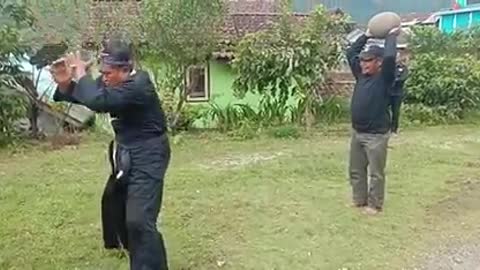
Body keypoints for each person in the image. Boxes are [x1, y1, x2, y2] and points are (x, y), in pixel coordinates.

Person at [50, 38, 170, 270]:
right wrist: (66, 84)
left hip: (149, 154)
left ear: (125, 69)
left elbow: (97, 100)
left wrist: (82, 73)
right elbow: (88, 94)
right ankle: (134, 252)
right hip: (126, 152)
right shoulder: (114, 80)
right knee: (118, 206)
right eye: (102, 71)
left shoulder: (139, 85)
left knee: (140, 219)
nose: (103, 77)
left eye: (108, 72)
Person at [346, 27, 400, 215]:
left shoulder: (385, 78)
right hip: (357, 132)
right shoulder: (360, 75)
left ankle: (375, 205)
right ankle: (359, 199)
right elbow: (350, 52)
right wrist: (367, 35)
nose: (363, 64)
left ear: (379, 63)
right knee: (355, 170)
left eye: (368, 60)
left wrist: (391, 36)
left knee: (376, 173)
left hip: (376, 135)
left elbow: (391, 58)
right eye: (362, 60)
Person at [390, 56, 409, 134]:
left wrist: (394, 80)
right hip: (388, 92)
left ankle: (394, 129)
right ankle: (384, 127)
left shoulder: (404, 69)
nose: (399, 60)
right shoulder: (391, 68)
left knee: (396, 111)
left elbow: (402, 79)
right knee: (384, 110)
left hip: (397, 93)